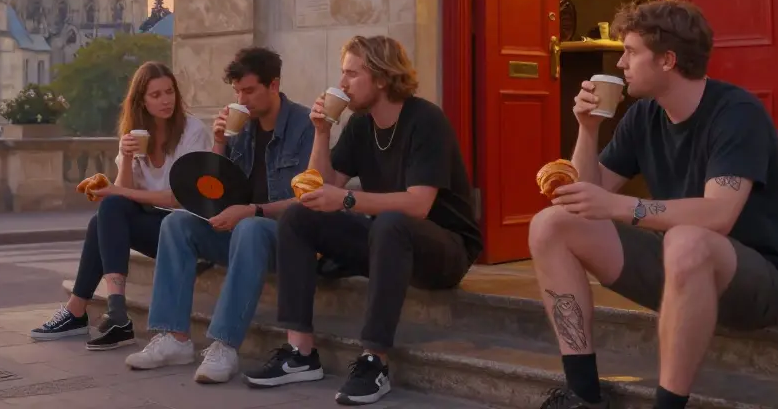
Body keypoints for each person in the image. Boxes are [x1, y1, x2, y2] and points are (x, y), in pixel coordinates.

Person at [529, 0, 778, 409]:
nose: (621, 63)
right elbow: (589, 195)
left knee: (687, 241)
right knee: (552, 224)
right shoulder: (643, 116)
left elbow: (718, 214)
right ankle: (582, 394)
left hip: (754, 280)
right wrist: (588, 129)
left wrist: (623, 208)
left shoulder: (737, 114)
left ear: (668, 60)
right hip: (678, 268)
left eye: (631, 52)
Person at [243, 36, 482, 405]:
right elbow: (318, 189)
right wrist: (322, 133)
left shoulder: (425, 120)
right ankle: (300, 354)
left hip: (445, 249)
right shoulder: (358, 125)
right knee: (298, 216)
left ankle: (375, 361)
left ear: (383, 79)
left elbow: (418, 205)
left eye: (352, 74)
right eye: (342, 74)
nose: (342, 84)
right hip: (388, 244)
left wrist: (349, 200)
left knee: (389, 222)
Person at [126, 47, 315, 383]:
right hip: (239, 233)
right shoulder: (241, 128)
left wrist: (253, 210)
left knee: (252, 228)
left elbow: (308, 200)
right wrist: (218, 143)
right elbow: (212, 193)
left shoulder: (303, 127)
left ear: (273, 86)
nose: (242, 99)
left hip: (283, 238)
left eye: (249, 91)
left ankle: (225, 345)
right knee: (176, 222)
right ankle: (174, 339)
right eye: (237, 91)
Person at [29, 61, 212, 350]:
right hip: (156, 226)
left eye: (169, 92)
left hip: (186, 229)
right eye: (156, 95)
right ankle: (111, 312)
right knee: (108, 211)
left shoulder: (193, 131)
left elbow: (180, 197)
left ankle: (88, 312)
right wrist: (126, 159)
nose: (165, 100)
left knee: (107, 212)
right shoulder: (135, 134)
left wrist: (117, 191)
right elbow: (120, 193)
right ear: (141, 101)